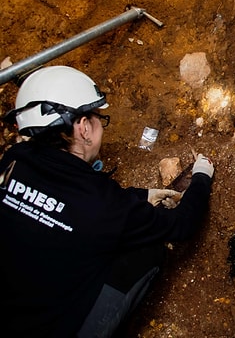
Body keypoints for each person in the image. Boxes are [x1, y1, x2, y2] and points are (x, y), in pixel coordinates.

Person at [0, 66, 214, 337]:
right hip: (56, 328)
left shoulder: (12, 162)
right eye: (98, 117)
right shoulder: (101, 204)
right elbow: (182, 225)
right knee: (148, 251)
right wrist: (202, 177)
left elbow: (70, 204)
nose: (101, 123)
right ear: (83, 127)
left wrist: (141, 196)